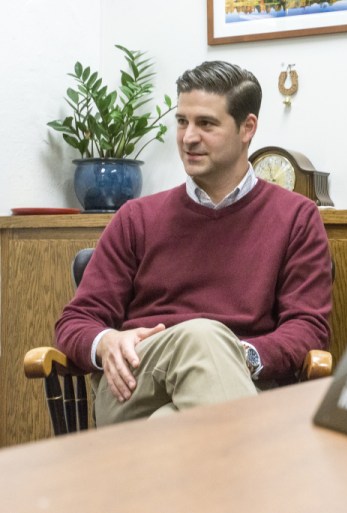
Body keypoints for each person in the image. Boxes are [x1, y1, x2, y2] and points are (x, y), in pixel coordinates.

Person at [55, 61, 332, 426]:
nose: (188, 137)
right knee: (201, 335)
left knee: (169, 424)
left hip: (239, 383)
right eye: (182, 121)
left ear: (247, 128)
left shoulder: (296, 217)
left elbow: (307, 328)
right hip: (134, 386)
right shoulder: (136, 218)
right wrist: (105, 341)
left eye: (206, 123)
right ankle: (265, 468)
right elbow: (75, 321)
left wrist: (236, 356)